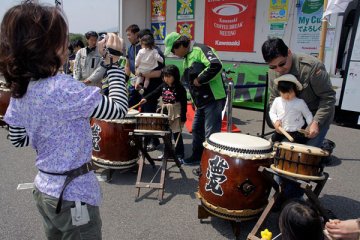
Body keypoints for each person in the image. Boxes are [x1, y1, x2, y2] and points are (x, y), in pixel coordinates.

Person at [0, 3, 128, 239]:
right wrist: (114, 64)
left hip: (45, 190)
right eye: (63, 38)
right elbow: (119, 110)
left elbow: (18, 139)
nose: (67, 44)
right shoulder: (64, 88)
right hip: (73, 195)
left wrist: (48, 126)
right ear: (47, 47)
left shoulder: (21, 89)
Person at [164, 32, 226, 165]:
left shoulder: (200, 50)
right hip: (200, 101)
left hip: (213, 98)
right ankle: (198, 156)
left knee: (211, 133)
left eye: (173, 50)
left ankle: (211, 164)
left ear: (180, 44)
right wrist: (193, 100)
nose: (174, 54)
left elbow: (216, 65)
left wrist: (200, 79)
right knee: (197, 129)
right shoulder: (186, 57)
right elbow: (190, 83)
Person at [262, 37, 336, 148]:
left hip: (315, 114)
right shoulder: (273, 72)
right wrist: (276, 120)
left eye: (282, 64)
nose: (278, 69)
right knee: (280, 150)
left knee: (306, 155)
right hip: (291, 118)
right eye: (273, 66)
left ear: (289, 52)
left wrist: (316, 122)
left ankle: (321, 143)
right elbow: (274, 97)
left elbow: (328, 98)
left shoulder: (312, 67)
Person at [139, 65, 187, 161]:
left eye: (169, 76)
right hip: (164, 111)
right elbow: (155, 93)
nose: (166, 78)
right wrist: (146, 98)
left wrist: (183, 119)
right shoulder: (163, 85)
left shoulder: (180, 88)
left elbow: (184, 104)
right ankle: (168, 152)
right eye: (165, 76)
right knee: (166, 133)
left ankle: (179, 154)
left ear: (175, 76)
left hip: (175, 111)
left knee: (176, 133)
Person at [269, 74, 313, 144]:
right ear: (279, 91)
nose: (287, 96)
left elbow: (307, 115)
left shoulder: (300, 102)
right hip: (281, 130)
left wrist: (310, 125)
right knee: (271, 143)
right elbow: (272, 112)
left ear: (295, 90)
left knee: (299, 147)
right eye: (283, 93)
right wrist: (276, 121)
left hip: (296, 132)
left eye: (290, 93)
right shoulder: (277, 100)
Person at [125, 24, 142, 107]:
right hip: (132, 83)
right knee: (131, 106)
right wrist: (125, 79)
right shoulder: (129, 48)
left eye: (129, 35)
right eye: (127, 35)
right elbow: (127, 65)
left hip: (142, 82)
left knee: (143, 107)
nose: (128, 37)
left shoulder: (143, 47)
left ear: (136, 34)